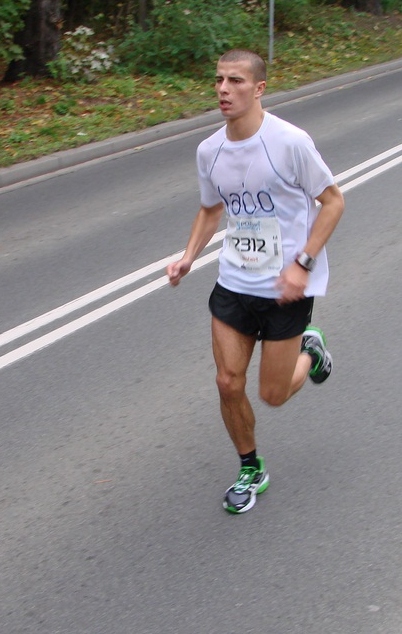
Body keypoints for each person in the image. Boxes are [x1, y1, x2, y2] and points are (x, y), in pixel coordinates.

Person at [166, 49, 345, 514]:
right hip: (234, 281)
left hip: (285, 288)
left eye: (236, 81)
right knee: (228, 382)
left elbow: (333, 202)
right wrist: (188, 257)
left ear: (260, 88)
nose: (223, 89)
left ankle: (310, 351)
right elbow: (211, 209)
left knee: (273, 395)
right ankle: (250, 467)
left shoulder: (290, 142)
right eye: (219, 80)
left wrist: (302, 263)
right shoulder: (210, 151)